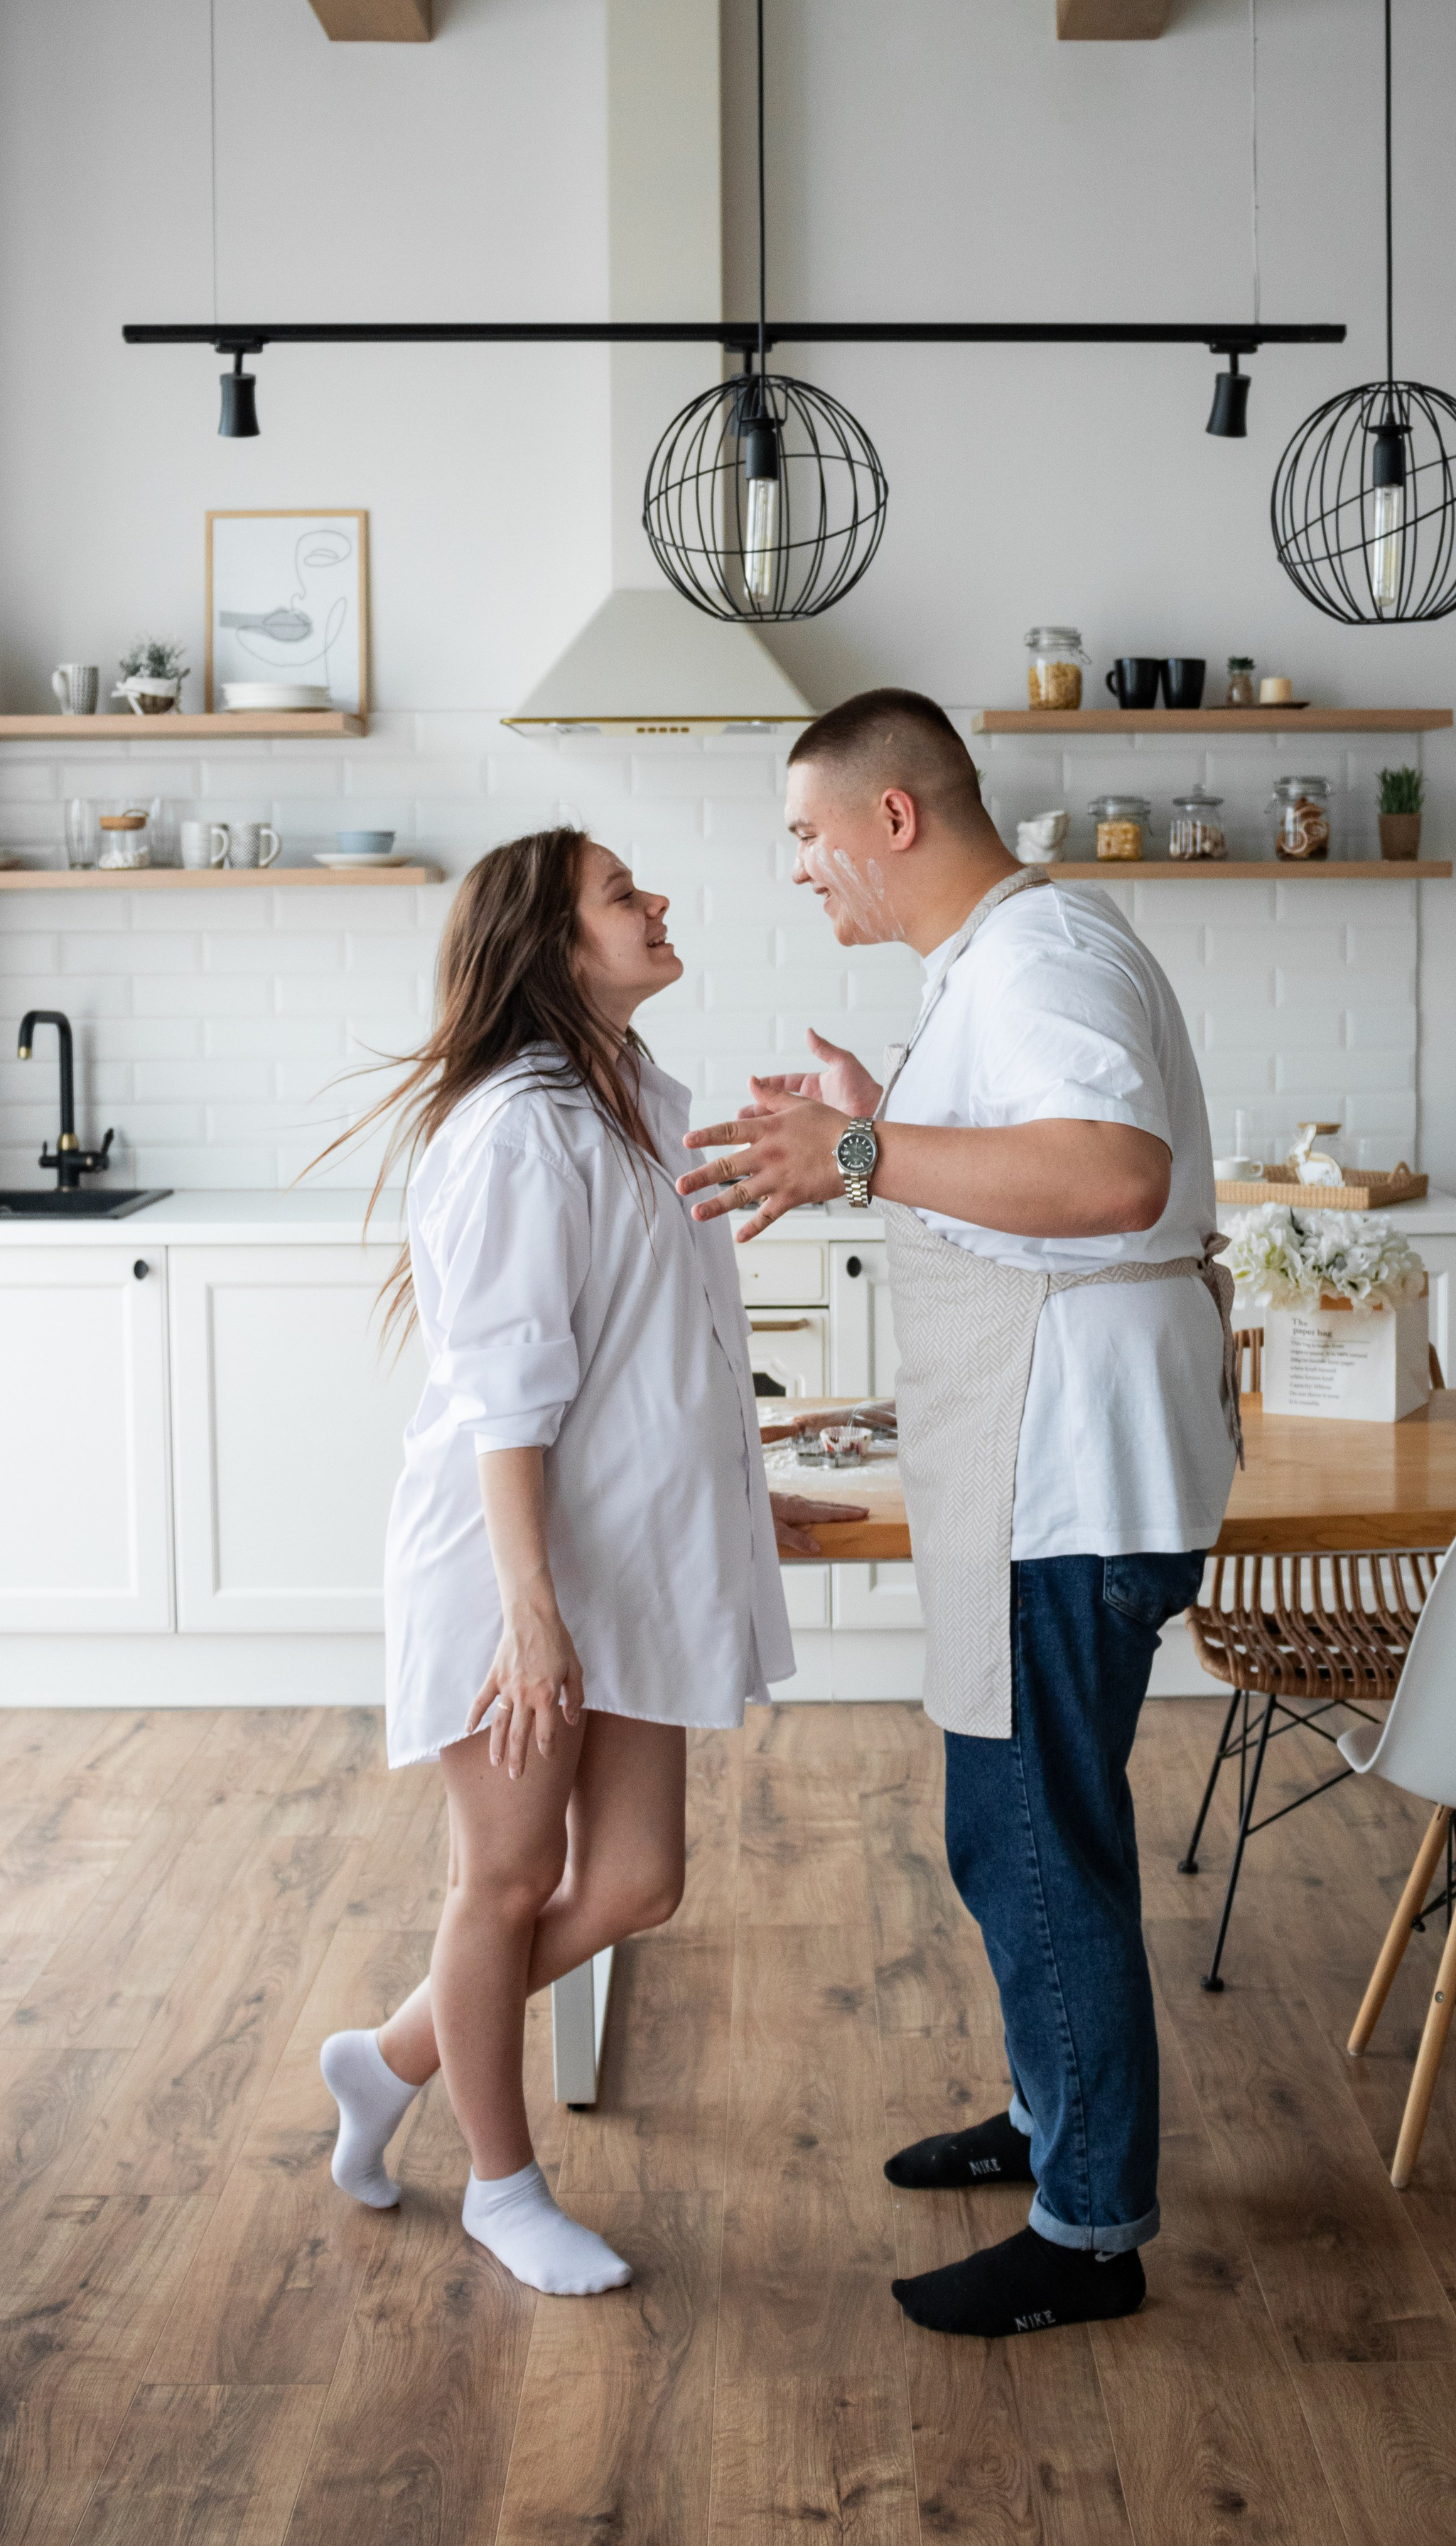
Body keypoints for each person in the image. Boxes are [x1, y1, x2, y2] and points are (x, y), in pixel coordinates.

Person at [679, 689, 1240, 2339]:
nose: (800, 869)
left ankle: (1088, 2230)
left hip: (1066, 1471)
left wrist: (859, 1141)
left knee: (1031, 1839)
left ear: (893, 818)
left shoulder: (1041, 952)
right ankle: (1050, 2119)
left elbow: (1111, 1175)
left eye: (806, 835)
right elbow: (1023, 1159)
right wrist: (888, 1109)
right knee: (1014, 1830)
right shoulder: (994, 961)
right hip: (1046, 1462)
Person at [316, 827, 862, 2297]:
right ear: (555, 947)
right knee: (503, 1882)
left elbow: (661, 1357)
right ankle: (500, 2186)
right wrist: (529, 1613)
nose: (657, 900)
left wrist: (743, 1495)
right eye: (622, 894)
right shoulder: (516, 1129)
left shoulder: (635, 1093)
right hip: (521, 1564)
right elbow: (506, 1392)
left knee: (633, 1883)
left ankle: (387, 2061)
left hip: (624, 1549)